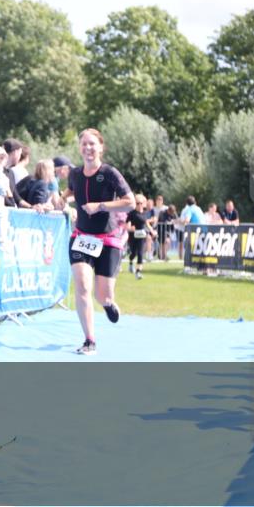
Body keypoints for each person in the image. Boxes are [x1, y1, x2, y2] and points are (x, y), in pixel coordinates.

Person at [67, 128, 136, 355]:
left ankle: (108, 304)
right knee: (82, 286)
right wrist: (57, 200)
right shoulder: (74, 174)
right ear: (80, 147)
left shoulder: (110, 173)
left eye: (92, 144)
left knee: (102, 295)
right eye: (84, 144)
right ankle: (89, 340)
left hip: (108, 240)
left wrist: (101, 206)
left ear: (101, 147)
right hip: (82, 237)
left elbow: (130, 202)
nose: (88, 148)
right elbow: (69, 192)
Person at [126, 194, 153, 280]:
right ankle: (131, 263)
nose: (139, 205)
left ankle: (138, 272)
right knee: (133, 253)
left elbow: (147, 224)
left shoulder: (145, 213)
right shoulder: (131, 213)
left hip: (141, 236)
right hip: (133, 236)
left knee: (140, 254)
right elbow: (127, 226)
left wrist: (152, 231)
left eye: (141, 203)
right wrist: (131, 228)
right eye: (137, 203)